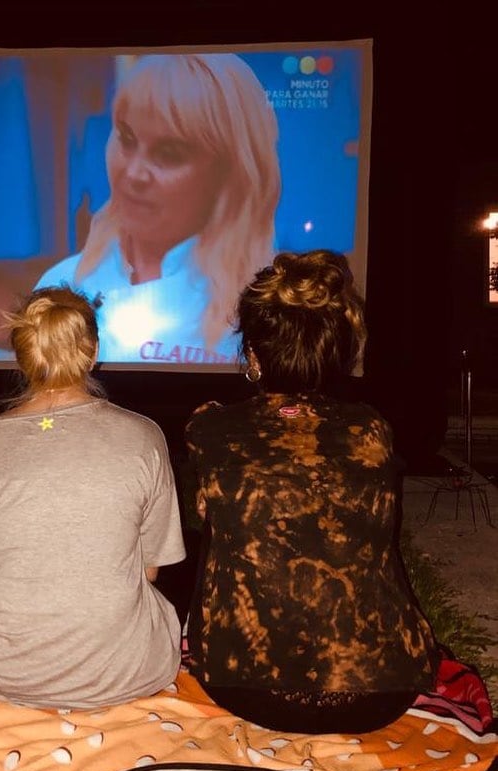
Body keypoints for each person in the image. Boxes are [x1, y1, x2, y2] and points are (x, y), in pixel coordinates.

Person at [184, 250, 440, 734]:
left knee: (200, 537)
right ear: (337, 353)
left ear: (254, 359)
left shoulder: (211, 427)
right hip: (381, 690)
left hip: (248, 688)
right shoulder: (371, 430)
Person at [0, 286, 186, 708]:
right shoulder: (144, 436)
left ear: (23, 358)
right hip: (124, 673)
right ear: (93, 353)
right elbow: (151, 570)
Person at [34, 52, 280, 366]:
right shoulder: (62, 284)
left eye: (169, 153)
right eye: (126, 138)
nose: (134, 173)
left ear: (229, 173)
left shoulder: (262, 302)